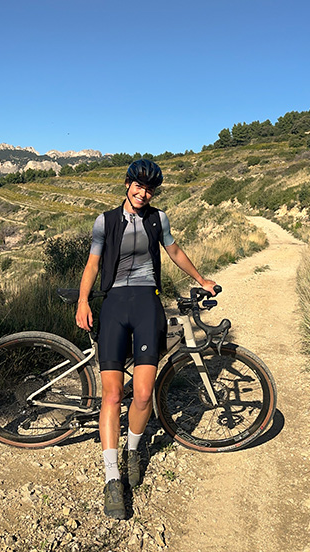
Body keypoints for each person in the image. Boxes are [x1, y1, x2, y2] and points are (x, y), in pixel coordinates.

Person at [76, 159, 218, 520]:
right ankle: (111, 478)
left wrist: (201, 279)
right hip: (114, 305)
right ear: (127, 184)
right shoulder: (105, 221)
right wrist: (82, 300)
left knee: (142, 393)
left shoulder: (159, 219)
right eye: (138, 186)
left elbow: (173, 251)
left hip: (147, 302)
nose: (143, 193)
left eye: (149, 189)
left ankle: (134, 451)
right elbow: (93, 264)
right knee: (111, 394)